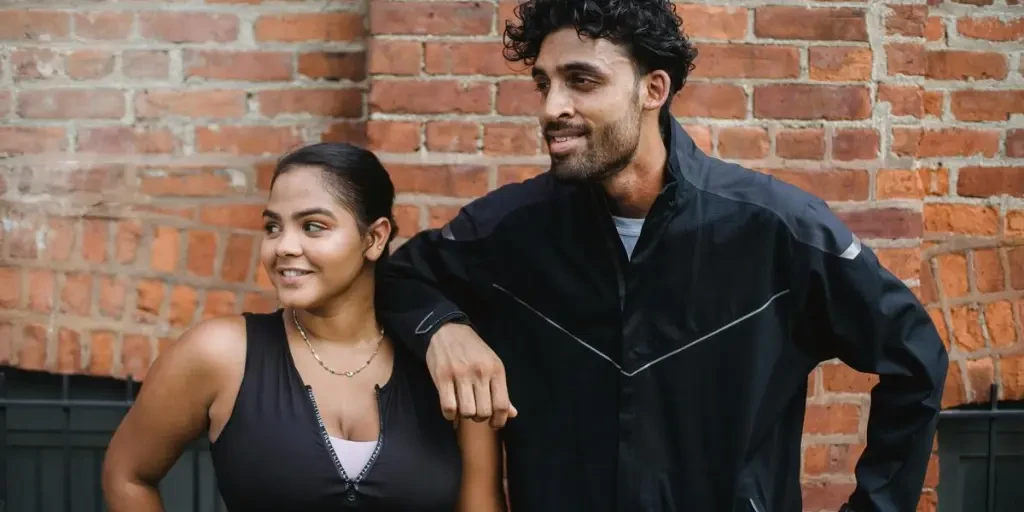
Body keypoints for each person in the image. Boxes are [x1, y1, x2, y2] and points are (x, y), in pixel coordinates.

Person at [375, 0, 950, 511]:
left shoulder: (775, 229)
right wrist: (443, 328)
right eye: (544, 83)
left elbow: (915, 359)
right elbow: (394, 279)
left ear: (654, 89)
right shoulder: (510, 231)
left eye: (581, 80)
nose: (552, 107)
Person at [101, 143, 507, 512]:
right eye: (273, 227)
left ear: (374, 238)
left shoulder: (451, 369)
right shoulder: (220, 353)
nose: (284, 247)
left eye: (313, 226)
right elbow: (127, 474)